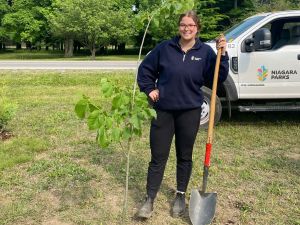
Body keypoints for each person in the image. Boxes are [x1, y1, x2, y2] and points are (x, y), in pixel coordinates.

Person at [136, 10, 229, 219]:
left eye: (191, 25)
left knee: (184, 156)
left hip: (190, 111)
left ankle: (180, 195)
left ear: (197, 28)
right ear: (179, 27)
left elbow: (218, 76)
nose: (186, 29)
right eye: (183, 25)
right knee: (158, 157)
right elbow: (145, 71)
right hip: (164, 111)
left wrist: (223, 55)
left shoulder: (204, 52)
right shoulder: (164, 48)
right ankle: (149, 198)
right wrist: (149, 88)